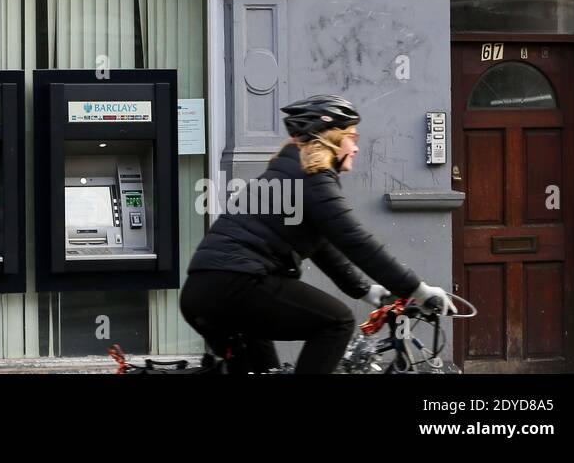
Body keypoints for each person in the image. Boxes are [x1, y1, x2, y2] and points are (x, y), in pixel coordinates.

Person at [179, 94, 455, 374]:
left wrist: (365, 290)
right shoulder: (312, 179)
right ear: (331, 139)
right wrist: (417, 290)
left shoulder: (290, 174)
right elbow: (355, 240)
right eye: (352, 138)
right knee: (337, 322)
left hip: (204, 291)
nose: (356, 148)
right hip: (239, 284)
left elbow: (323, 246)